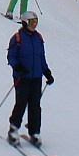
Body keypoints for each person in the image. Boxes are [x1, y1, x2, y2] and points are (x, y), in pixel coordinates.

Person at [6, 13, 55, 144]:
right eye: (31, 22)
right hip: (22, 77)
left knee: (35, 105)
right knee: (21, 102)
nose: (34, 25)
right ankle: (13, 129)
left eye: (36, 22)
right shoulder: (17, 38)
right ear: (24, 23)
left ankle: (35, 132)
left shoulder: (38, 38)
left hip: (36, 77)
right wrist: (18, 67)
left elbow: (41, 57)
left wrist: (46, 72)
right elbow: (11, 56)